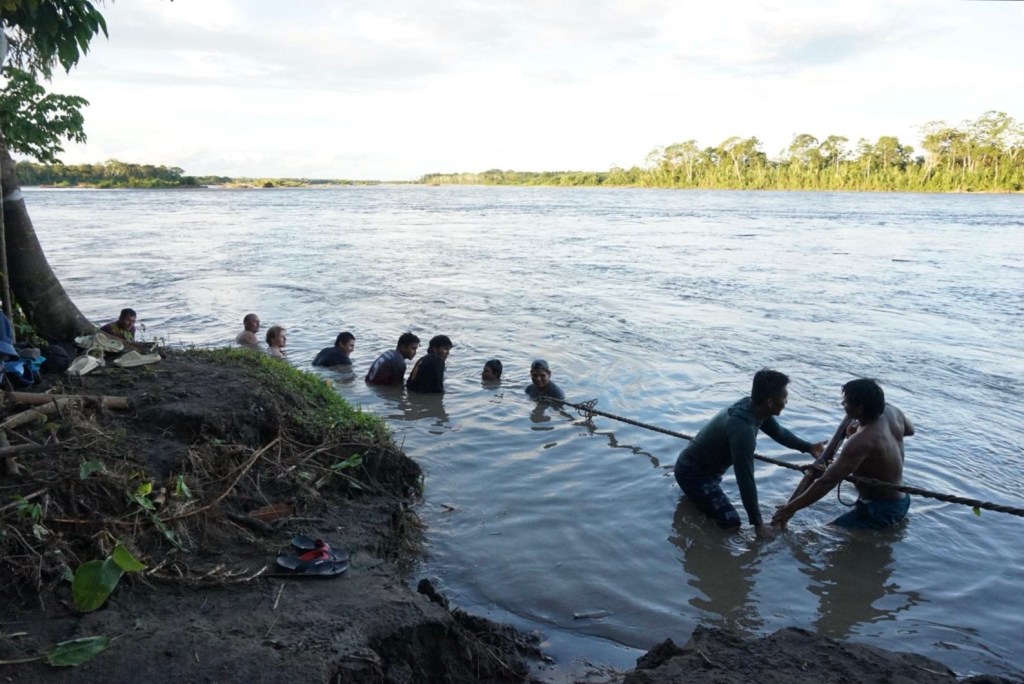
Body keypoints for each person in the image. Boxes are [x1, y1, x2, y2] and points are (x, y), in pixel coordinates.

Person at [674, 369, 825, 539]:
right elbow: (745, 480)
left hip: (700, 469)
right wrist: (758, 524)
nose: (786, 401)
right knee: (732, 523)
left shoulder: (755, 408)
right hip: (693, 474)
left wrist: (809, 447)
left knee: (709, 504)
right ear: (770, 402)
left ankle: (695, 502)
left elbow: (779, 432)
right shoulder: (743, 430)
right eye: (784, 397)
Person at [773, 378, 911, 530]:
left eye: (846, 402)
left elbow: (827, 482)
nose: (842, 404)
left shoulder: (862, 440)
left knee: (826, 533)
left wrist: (790, 508)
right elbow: (910, 430)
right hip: (902, 499)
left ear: (859, 408)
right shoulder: (892, 411)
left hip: (881, 509)